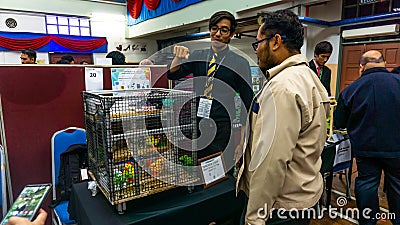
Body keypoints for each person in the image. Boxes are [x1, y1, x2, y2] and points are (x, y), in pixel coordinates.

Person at [236, 9, 329, 225]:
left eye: (258, 43)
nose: (257, 50)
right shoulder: (308, 77)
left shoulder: (282, 88)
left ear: (276, 41)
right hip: (302, 198)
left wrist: (255, 218)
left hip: (280, 208)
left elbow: (270, 163)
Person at [167, 11, 254, 163]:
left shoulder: (239, 63)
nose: (218, 34)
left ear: (231, 34)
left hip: (223, 127)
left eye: (224, 30)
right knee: (200, 168)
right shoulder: (198, 55)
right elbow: (172, 74)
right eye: (214, 28)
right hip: (199, 124)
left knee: (221, 170)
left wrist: (242, 142)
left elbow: (248, 103)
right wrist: (178, 57)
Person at [334, 50, 400, 225]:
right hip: (397, 148)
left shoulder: (350, 90)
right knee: (398, 186)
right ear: (384, 64)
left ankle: (368, 221)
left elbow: (339, 122)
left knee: (367, 184)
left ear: (361, 67)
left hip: (365, 148)